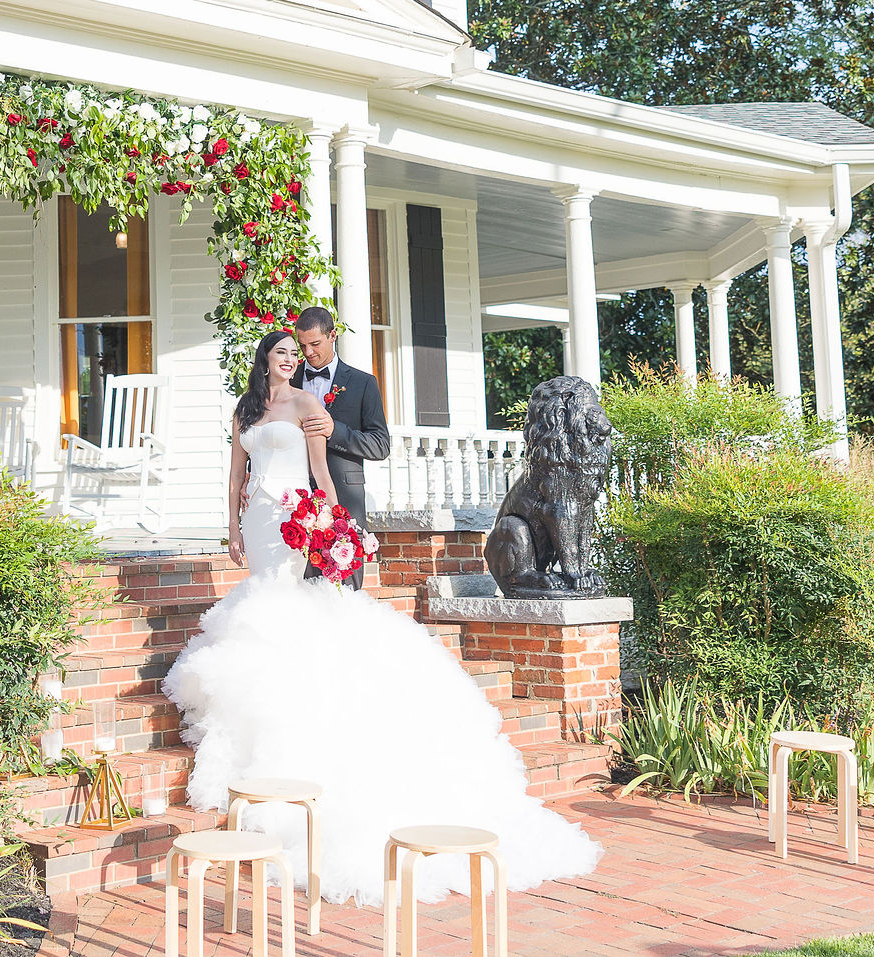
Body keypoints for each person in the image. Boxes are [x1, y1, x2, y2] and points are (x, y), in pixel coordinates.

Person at [165, 329, 602, 909]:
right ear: (264, 361)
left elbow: (321, 469)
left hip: (296, 514)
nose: (293, 360)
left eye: (297, 353)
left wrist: (337, 521)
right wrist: (232, 526)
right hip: (259, 519)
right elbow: (235, 474)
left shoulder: (306, 403)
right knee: (259, 594)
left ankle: (298, 682)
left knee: (290, 599)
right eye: (283, 353)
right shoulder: (246, 410)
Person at [289, 307, 387, 590]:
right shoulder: (287, 381)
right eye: (303, 346)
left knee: (344, 588)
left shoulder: (363, 383)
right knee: (296, 586)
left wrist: (336, 432)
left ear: (333, 336)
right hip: (294, 498)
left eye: (315, 344)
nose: (307, 353)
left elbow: (380, 445)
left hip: (345, 498)